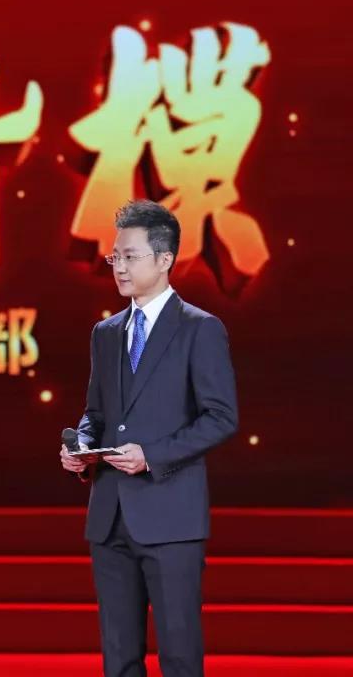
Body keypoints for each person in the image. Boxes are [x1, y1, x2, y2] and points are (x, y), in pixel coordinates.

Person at [60, 200, 238, 677]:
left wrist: (152, 456)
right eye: (114, 257)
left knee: (179, 655)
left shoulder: (200, 329)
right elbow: (97, 413)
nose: (119, 266)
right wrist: (82, 447)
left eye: (130, 256)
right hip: (110, 517)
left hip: (171, 517)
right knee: (119, 657)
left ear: (164, 259)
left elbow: (221, 417)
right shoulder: (106, 333)